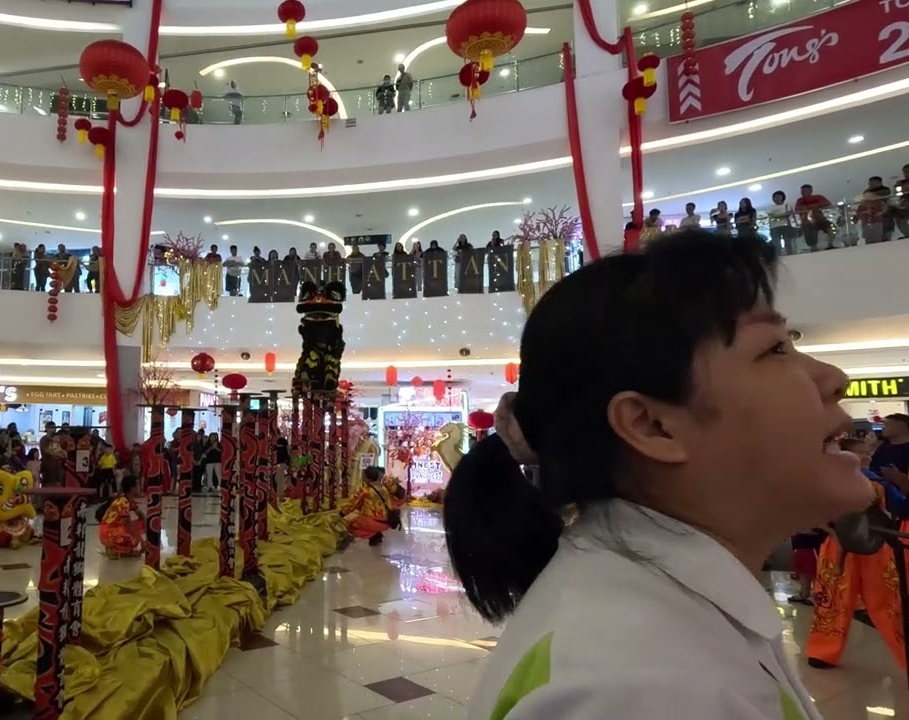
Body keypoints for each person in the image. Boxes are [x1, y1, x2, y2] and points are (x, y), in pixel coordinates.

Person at [446, 229, 867, 718]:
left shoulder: (656, 628)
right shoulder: (646, 687)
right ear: (652, 426)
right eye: (774, 349)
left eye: (789, 342)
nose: (835, 378)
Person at [805, 439, 906, 670]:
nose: (868, 455)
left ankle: (904, 650)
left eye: (868, 452)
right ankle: (822, 651)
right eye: (861, 452)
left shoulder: (878, 481)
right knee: (832, 600)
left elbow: (899, 506)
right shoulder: (829, 481)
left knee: (889, 602)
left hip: (876, 546)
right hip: (838, 545)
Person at [339, 466, 402, 546]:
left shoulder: (365, 489)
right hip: (387, 521)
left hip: (374, 522)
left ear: (366, 477)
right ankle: (376, 535)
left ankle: (374, 535)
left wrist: (342, 513)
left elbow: (352, 504)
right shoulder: (383, 488)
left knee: (353, 524)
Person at [98, 474, 145, 558]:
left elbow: (142, 516)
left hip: (113, 530)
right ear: (132, 488)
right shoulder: (123, 502)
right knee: (132, 539)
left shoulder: (128, 499)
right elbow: (128, 524)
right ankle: (116, 549)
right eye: (138, 485)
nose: (140, 487)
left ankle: (118, 548)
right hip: (108, 533)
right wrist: (142, 541)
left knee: (140, 525)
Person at [795, 184, 834, 250]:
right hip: (807, 222)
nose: (803, 193)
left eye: (805, 191)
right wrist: (814, 206)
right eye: (802, 191)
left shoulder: (818, 197)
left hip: (820, 220)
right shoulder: (800, 200)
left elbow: (827, 203)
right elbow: (797, 209)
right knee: (808, 231)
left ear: (810, 191)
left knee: (832, 228)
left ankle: (830, 243)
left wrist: (811, 206)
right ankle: (813, 246)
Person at [858, 175, 894, 244]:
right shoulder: (866, 192)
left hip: (884, 217)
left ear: (879, 182)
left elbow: (881, 197)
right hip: (870, 219)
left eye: (873, 182)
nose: (870, 185)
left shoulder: (885, 191)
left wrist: (870, 195)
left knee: (886, 237)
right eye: (870, 183)